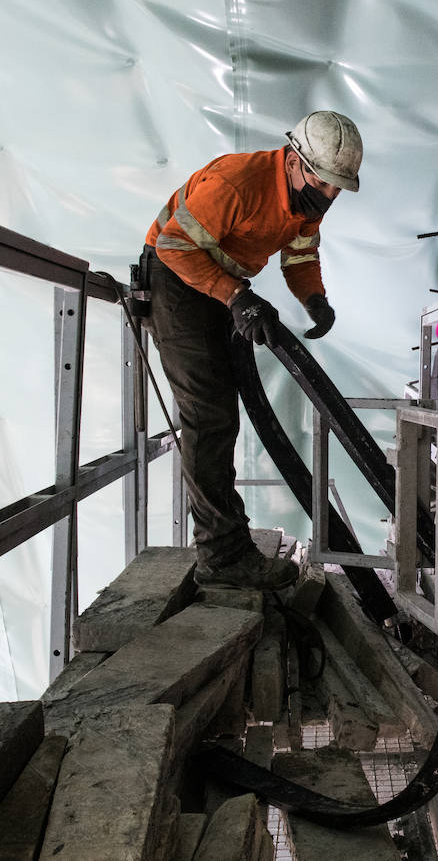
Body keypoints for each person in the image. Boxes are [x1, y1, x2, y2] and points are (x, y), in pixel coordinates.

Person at [140, 110, 362, 591]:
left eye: (338, 187)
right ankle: (221, 556)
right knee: (209, 414)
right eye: (323, 182)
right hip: (175, 279)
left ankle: (226, 545)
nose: (328, 195)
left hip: (218, 282)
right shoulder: (237, 182)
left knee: (222, 415)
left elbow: (300, 255)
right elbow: (175, 247)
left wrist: (314, 299)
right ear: (294, 160)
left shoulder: (308, 202)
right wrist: (238, 297)